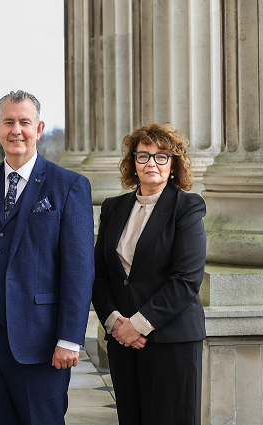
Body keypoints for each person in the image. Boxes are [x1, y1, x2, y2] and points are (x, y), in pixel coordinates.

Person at [0, 90, 95, 424]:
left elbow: (79, 269)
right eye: (9, 122)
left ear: (39, 128)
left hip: (40, 341)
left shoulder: (69, 186)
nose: (17, 130)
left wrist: (71, 338)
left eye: (24, 122)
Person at [92, 122, 207, 424]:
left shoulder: (187, 207)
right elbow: (100, 274)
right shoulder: (113, 208)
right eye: (143, 156)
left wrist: (138, 326)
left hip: (170, 342)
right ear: (134, 163)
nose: (151, 163)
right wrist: (115, 322)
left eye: (161, 156)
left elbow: (186, 280)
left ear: (173, 164)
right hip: (123, 342)